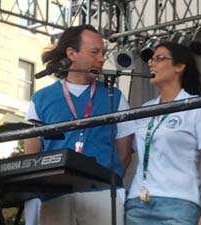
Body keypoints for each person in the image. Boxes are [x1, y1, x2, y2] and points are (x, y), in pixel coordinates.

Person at [23, 24, 134, 225]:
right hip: (55, 194)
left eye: (103, 53)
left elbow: (125, 153)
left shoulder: (115, 96)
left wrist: (105, 181)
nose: (101, 59)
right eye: (94, 52)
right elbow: (32, 154)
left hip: (102, 194)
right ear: (72, 53)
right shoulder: (41, 99)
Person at [125, 42, 201, 225]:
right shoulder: (145, 109)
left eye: (159, 58)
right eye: (151, 59)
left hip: (179, 203)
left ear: (179, 67)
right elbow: (125, 149)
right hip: (138, 203)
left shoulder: (197, 107)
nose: (151, 63)